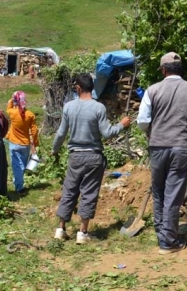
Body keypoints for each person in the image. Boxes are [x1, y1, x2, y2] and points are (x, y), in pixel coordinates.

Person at [137, 52, 187, 255]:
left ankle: (162, 231)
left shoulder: (152, 90)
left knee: (159, 190)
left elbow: (142, 122)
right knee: (173, 192)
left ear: (163, 70)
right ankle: (168, 241)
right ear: (181, 70)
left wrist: (153, 130)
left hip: (157, 146)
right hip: (180, 146)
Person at [52, 73, 130, 244]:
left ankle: (61, 229)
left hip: (75, 156)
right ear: (91, 88)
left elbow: (60, 134)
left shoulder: (69, 107)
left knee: (70, 190)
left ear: (78, 88)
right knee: (88, 193)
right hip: (94, 156)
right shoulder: (98, 108)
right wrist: (122, 125)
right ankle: (82, 232)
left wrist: (54, 150)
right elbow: (107, 133)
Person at [6, 91, 39, 195]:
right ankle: (19, 183)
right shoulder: (30, 115)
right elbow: (34, 131)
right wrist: (36, 143)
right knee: (22, 165)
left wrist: (12, 99)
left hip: (14, 143)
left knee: (17, 166)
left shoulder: (12, 113)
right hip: (25, 144)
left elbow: (8, 107)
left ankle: (19, 187)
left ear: (16, 101)